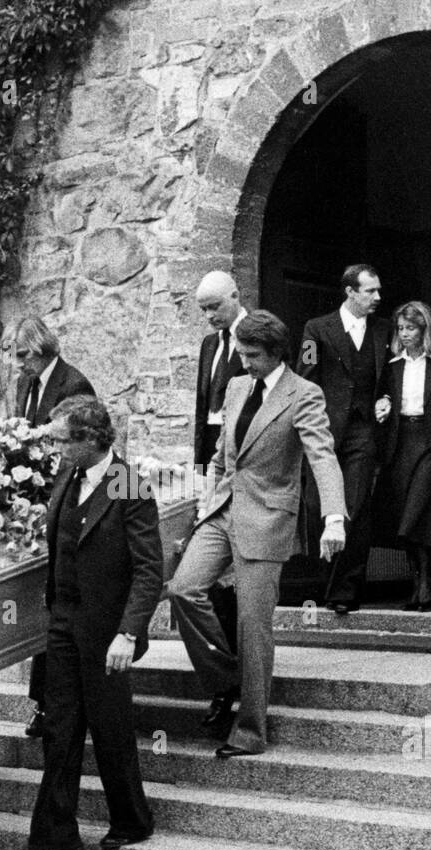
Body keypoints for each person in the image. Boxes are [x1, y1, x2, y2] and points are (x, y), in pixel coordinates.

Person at [168, 310, 347, 757]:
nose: (243, 362)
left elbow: (322, 457)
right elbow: (221, 454)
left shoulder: (304, 395)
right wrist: (198, 497)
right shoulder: (234, 387)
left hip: (267, 519)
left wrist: (335, 517)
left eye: (251, 355)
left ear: (274, 353)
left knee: (253, 624)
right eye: (241, 353)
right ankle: (229, 680)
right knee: (184, 590)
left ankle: (250, 731)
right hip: (222, 510)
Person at [21, 397, 163, 850]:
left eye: (62, 440)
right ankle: (53, 838)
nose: (55, 447)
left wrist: (129, 632)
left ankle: (131, 819)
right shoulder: (67, 476)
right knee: (59, 728)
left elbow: (149, 570)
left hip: (107, 630)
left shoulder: (127, 482)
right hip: (62, 623)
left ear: (89, 439)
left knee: (109, 725)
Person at [4, 316, 96, 740]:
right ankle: (46, 703)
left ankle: (52, 704)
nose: (16, 364)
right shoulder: (25, 385)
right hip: (30, 505)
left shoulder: (74, 385)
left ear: (41, 349)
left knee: (55, 601)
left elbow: (76, 450)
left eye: (22, 355)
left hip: (60, 504)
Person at [297, 264, 391, 613]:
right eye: (370, 291)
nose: (377, 297)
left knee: (354, 506)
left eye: (378, 290)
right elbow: (305, 379)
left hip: (364, 432)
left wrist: (388, 400)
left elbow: (394, 375)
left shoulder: (384, 330)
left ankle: (344, 591)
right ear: (350, 292)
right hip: (324, 433)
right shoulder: (316, 329)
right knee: (318, 506)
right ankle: (320, 580)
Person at [373, 301, 431, 610]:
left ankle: (426, 582)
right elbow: (382, 396)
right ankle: (419, 582)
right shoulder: (393, 365)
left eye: (411, 328)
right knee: (409, 512)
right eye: (401, 329)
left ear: (425, 330)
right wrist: (382, 406)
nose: (404, 334)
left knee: (419, 512)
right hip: (401, 440)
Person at [192, 271, 247, 650]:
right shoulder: (210, 345)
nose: (210, 315)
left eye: (215, 306)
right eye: (204, 310)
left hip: (241, 450)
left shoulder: (257, 337)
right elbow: (201, 409)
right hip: (212, 447)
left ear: (236, 296)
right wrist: (199, 471)